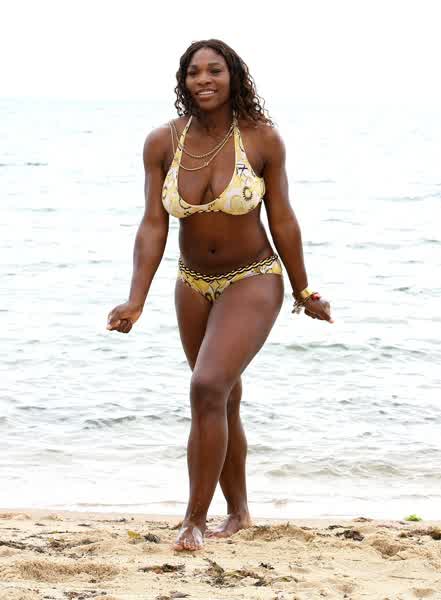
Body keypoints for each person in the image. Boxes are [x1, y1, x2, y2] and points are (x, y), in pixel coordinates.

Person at [107, 39, 333, 552]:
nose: (204, 80)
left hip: (253, 277)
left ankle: (193, 520)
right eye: (194, 72)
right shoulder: (163, 142)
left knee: (207, 386)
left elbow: (282, 218)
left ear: (233, 76)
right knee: (221, 397)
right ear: (183, 80)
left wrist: (304, 290)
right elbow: (152, 224)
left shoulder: (262, 139)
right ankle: (239, 511)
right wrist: (136, 298)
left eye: (214, 70)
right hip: (192, 283)